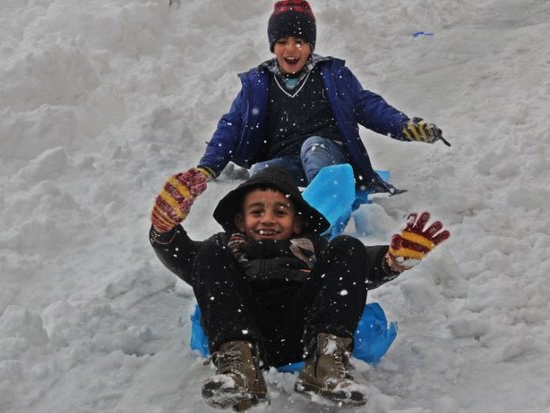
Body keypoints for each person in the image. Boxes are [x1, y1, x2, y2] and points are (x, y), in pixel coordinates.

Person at [148, 166, 450, 410]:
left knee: (347, 246)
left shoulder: (315, 249)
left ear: (296, 223)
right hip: (243, 331)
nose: (267, 219)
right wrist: (164, 231)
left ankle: (326, 365)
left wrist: (392, 261)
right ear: (240, 221)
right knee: (210, 249)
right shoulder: (226, 248)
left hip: (307, 330)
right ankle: (239, 370)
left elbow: (360, 269)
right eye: (257, 212)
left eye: (280, 212)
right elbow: (186, 258)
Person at [193, 0, 448, 194]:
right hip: (289, 162)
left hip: (329, 158)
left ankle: (324, 209)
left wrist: (404, 127)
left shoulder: (330, 75)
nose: (291, 49)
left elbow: (367, 105)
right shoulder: (259, 83)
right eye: (283, 42)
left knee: (313, 146)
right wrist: (210, 165)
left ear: (310, 46)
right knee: (262, 173)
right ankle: (291, 217)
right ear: (273, 46)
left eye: (299, 42)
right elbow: (231, 125)